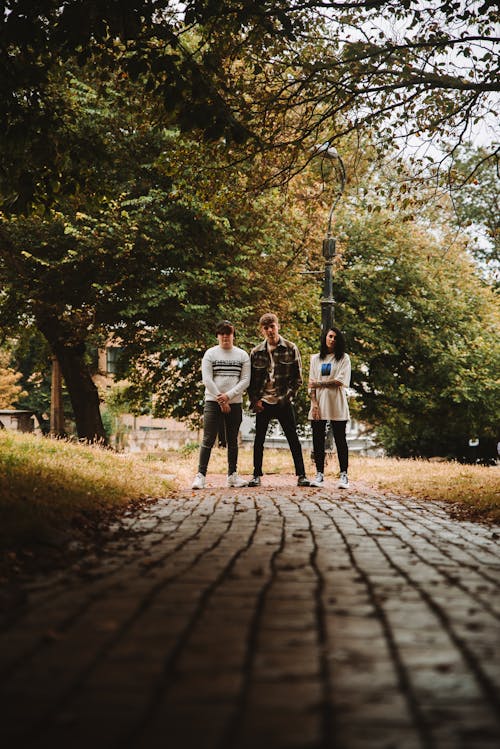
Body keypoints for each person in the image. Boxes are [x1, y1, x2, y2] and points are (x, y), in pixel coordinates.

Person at [247, 312, 310, 487]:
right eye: (266, 328)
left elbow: (297, 379)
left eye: (272, 326)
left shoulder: (291, 348)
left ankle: (301, 475)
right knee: (259, 439)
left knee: (292, 438)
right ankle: (256, 475)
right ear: (262, 331)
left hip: (283, 400)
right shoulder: (256, 352)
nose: (270, 330)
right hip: (263, 401)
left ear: (278, 326)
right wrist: (255, 400)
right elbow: (250, 381)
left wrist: (285, 399)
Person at [192, 320, 251, 489]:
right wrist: (220, 398)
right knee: (208, 439)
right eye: (222, 333)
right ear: (217, 336)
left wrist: (228, 396)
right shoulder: (210, 354)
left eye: (229, 333)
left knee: (233, 440)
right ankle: (200, 476)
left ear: (233, 335)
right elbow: (207, 379)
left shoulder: (242, 355)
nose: (225, 337)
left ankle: (232, 476)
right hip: (212, 402)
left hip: (235, 403)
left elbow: (245, 380)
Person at [308, 326, 351, 488]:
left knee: (340, 439)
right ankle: (319, 474)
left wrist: (319, 383)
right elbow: (310, 384)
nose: (332, 339)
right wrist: (314, 403)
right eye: (330, 336)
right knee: (317, 439)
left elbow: (340, 381)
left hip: (337, 403)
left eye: (335, 337)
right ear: (325, 338)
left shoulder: (344, 359)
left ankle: (344, 475)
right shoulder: (315, 359)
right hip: (319, 403)